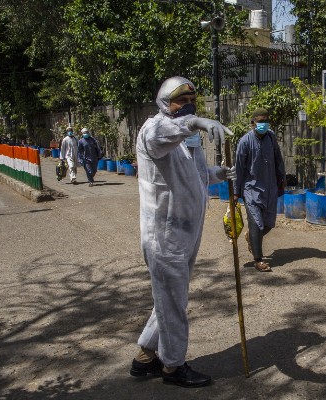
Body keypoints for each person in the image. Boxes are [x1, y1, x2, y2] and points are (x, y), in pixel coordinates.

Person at [130, 76, 236, 388]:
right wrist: (196, 121)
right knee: (173, 302)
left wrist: (218, 174)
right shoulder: (155, 129)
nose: (187, 106)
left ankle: (145, 358)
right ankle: (173, 366)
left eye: (192, 100)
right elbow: (165, 133)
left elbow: (195, 176)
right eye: (180, 100)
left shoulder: (187, 138)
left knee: (169, 299)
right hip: (164, 236)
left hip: (187, 236)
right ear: (165, 103)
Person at [234, 108, 286, 272]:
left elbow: (278, 159)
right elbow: (239, 168)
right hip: (252, 190)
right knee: (256, 223)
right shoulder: (245, 142)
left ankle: (252, 238)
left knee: (268, 224)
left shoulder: (271, 138)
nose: (263, 124)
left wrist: (281, 180)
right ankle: (258, 260)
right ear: (253, 123)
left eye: (266, 120)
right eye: (260, 121)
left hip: (270, 188)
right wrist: (236, 192)